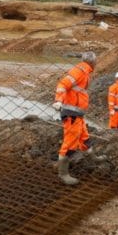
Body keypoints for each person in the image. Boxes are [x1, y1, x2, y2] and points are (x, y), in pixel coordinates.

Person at [52, 51, 96, 185]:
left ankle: (93, 158)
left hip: (77, 114)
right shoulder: (80, 71)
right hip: (71, 113)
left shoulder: (85, 72)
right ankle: (63, 173)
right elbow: (62, 84)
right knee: (70, 142)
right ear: (92, 62)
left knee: (84, 137)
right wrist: (58, 100)